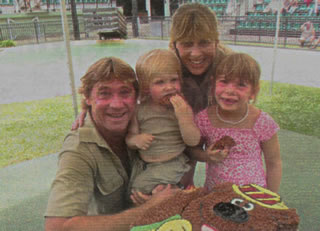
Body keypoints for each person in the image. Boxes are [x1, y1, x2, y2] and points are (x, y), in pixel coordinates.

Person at [72, 3, 233, 187]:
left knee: (223, 165)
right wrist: (88, 106)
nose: (195, 53)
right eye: (187, 44)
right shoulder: (168, 64)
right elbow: (133, 85)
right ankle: (184, 190)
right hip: (177, 129)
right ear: (175, 44)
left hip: (209, 115)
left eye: (204, 42)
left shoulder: (228, 63)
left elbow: (245, 89)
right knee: (183, 173)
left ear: (216, 41)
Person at [44, 57, 179, 231]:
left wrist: (165, 187)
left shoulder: (147, 122)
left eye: (125, 92)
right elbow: (57, 227)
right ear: (88, 98)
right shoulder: (79, 148)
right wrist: (149, 208)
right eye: (104, 93)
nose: (116, 104)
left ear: (137, 96)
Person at [191, 53, 282, 193]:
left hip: (253, 196)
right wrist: (206, 156)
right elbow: (192, 150)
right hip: (215, 194)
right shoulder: (204, 119)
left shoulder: (262, 122)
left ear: (254, 91)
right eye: (224, 81)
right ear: (213, 83)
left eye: (241, 85)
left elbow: (274, 163)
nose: (230, 90)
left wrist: (272, 198)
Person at [126, 49, 200, 194]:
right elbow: (130, 137)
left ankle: (175, 194)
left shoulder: (182, 107)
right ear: (146, 87)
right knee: (138, 187)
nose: (169, 87)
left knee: (138, 188)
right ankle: (171, 194)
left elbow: (193, 141)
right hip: (147, 164)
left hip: (173, 162)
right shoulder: (139, 110)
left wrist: (184, 118)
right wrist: (136, 140)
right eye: (160, 82)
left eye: (174, 80)